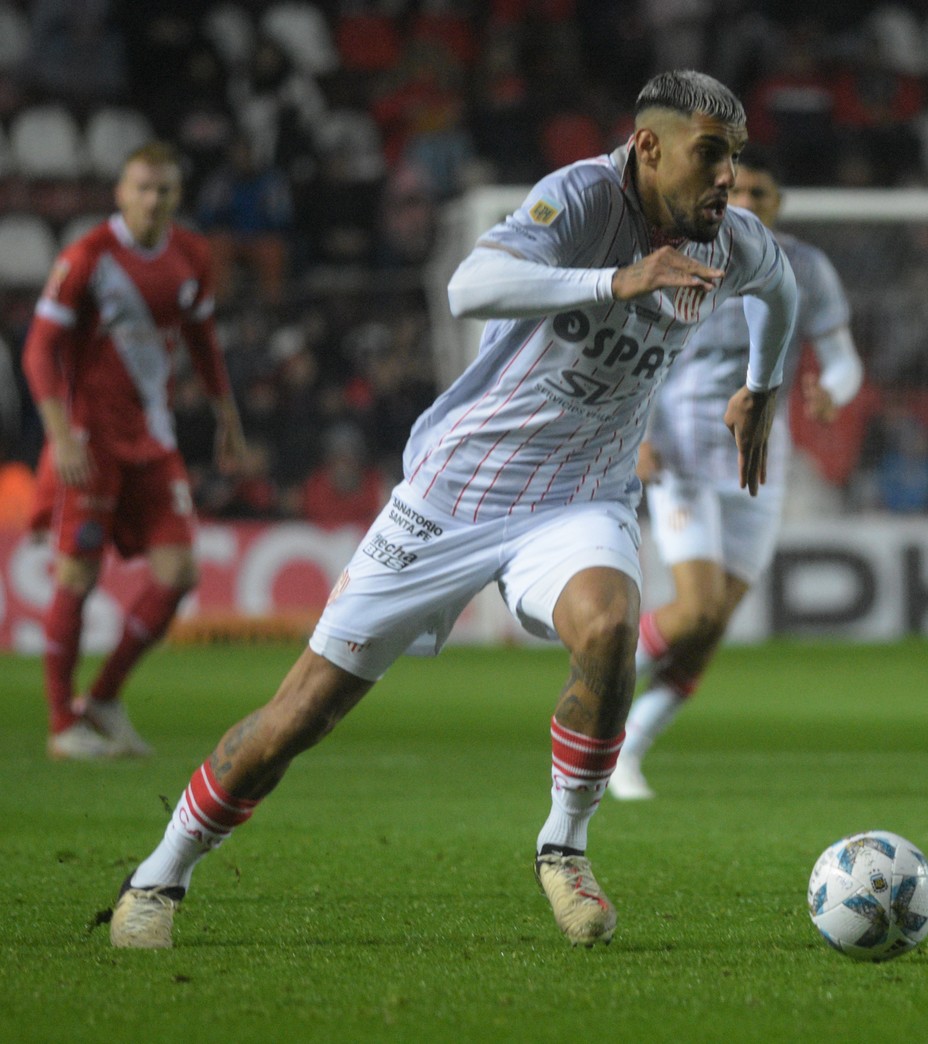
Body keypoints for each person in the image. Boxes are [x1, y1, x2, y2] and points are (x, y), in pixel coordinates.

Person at [106, 70, 799, 950]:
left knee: (612, 624)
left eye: (733, 159)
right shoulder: (581, 197)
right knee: (301, 714)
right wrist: (614, 283)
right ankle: (158, 877)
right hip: (455, 492)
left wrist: (760, 388)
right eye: (711, 155)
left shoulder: (727, 238)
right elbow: (469, 287)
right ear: (649, 147)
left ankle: (564, 846)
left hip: (579, 495)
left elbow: (783, 294)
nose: (727, 179)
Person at [609, 149, 862, 801]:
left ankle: (629, 748)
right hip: (683, 445)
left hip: (758, 455)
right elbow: (632, 352)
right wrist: (637, 435)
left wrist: (832, 390)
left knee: (715, 626)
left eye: (762, 193)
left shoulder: (805, 266)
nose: (749, 201)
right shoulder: (679, 255)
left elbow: (842, 359)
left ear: (777, 204)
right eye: (738, 190)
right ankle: (595, 686)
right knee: (692, 613)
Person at [22, 141, 246, 762]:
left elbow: (202, 338)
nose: (153, 200)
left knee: (179, 574)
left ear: (177, 197)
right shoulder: (87, 257)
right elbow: (38, 350)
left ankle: (104, 699)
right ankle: (61, 723)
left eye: (164, 190)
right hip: (89, 443)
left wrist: (227, 416)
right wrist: (61, 434)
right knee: (78, 574)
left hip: (153, 438)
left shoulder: (191, 255)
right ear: (121, 192)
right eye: (142, 188)